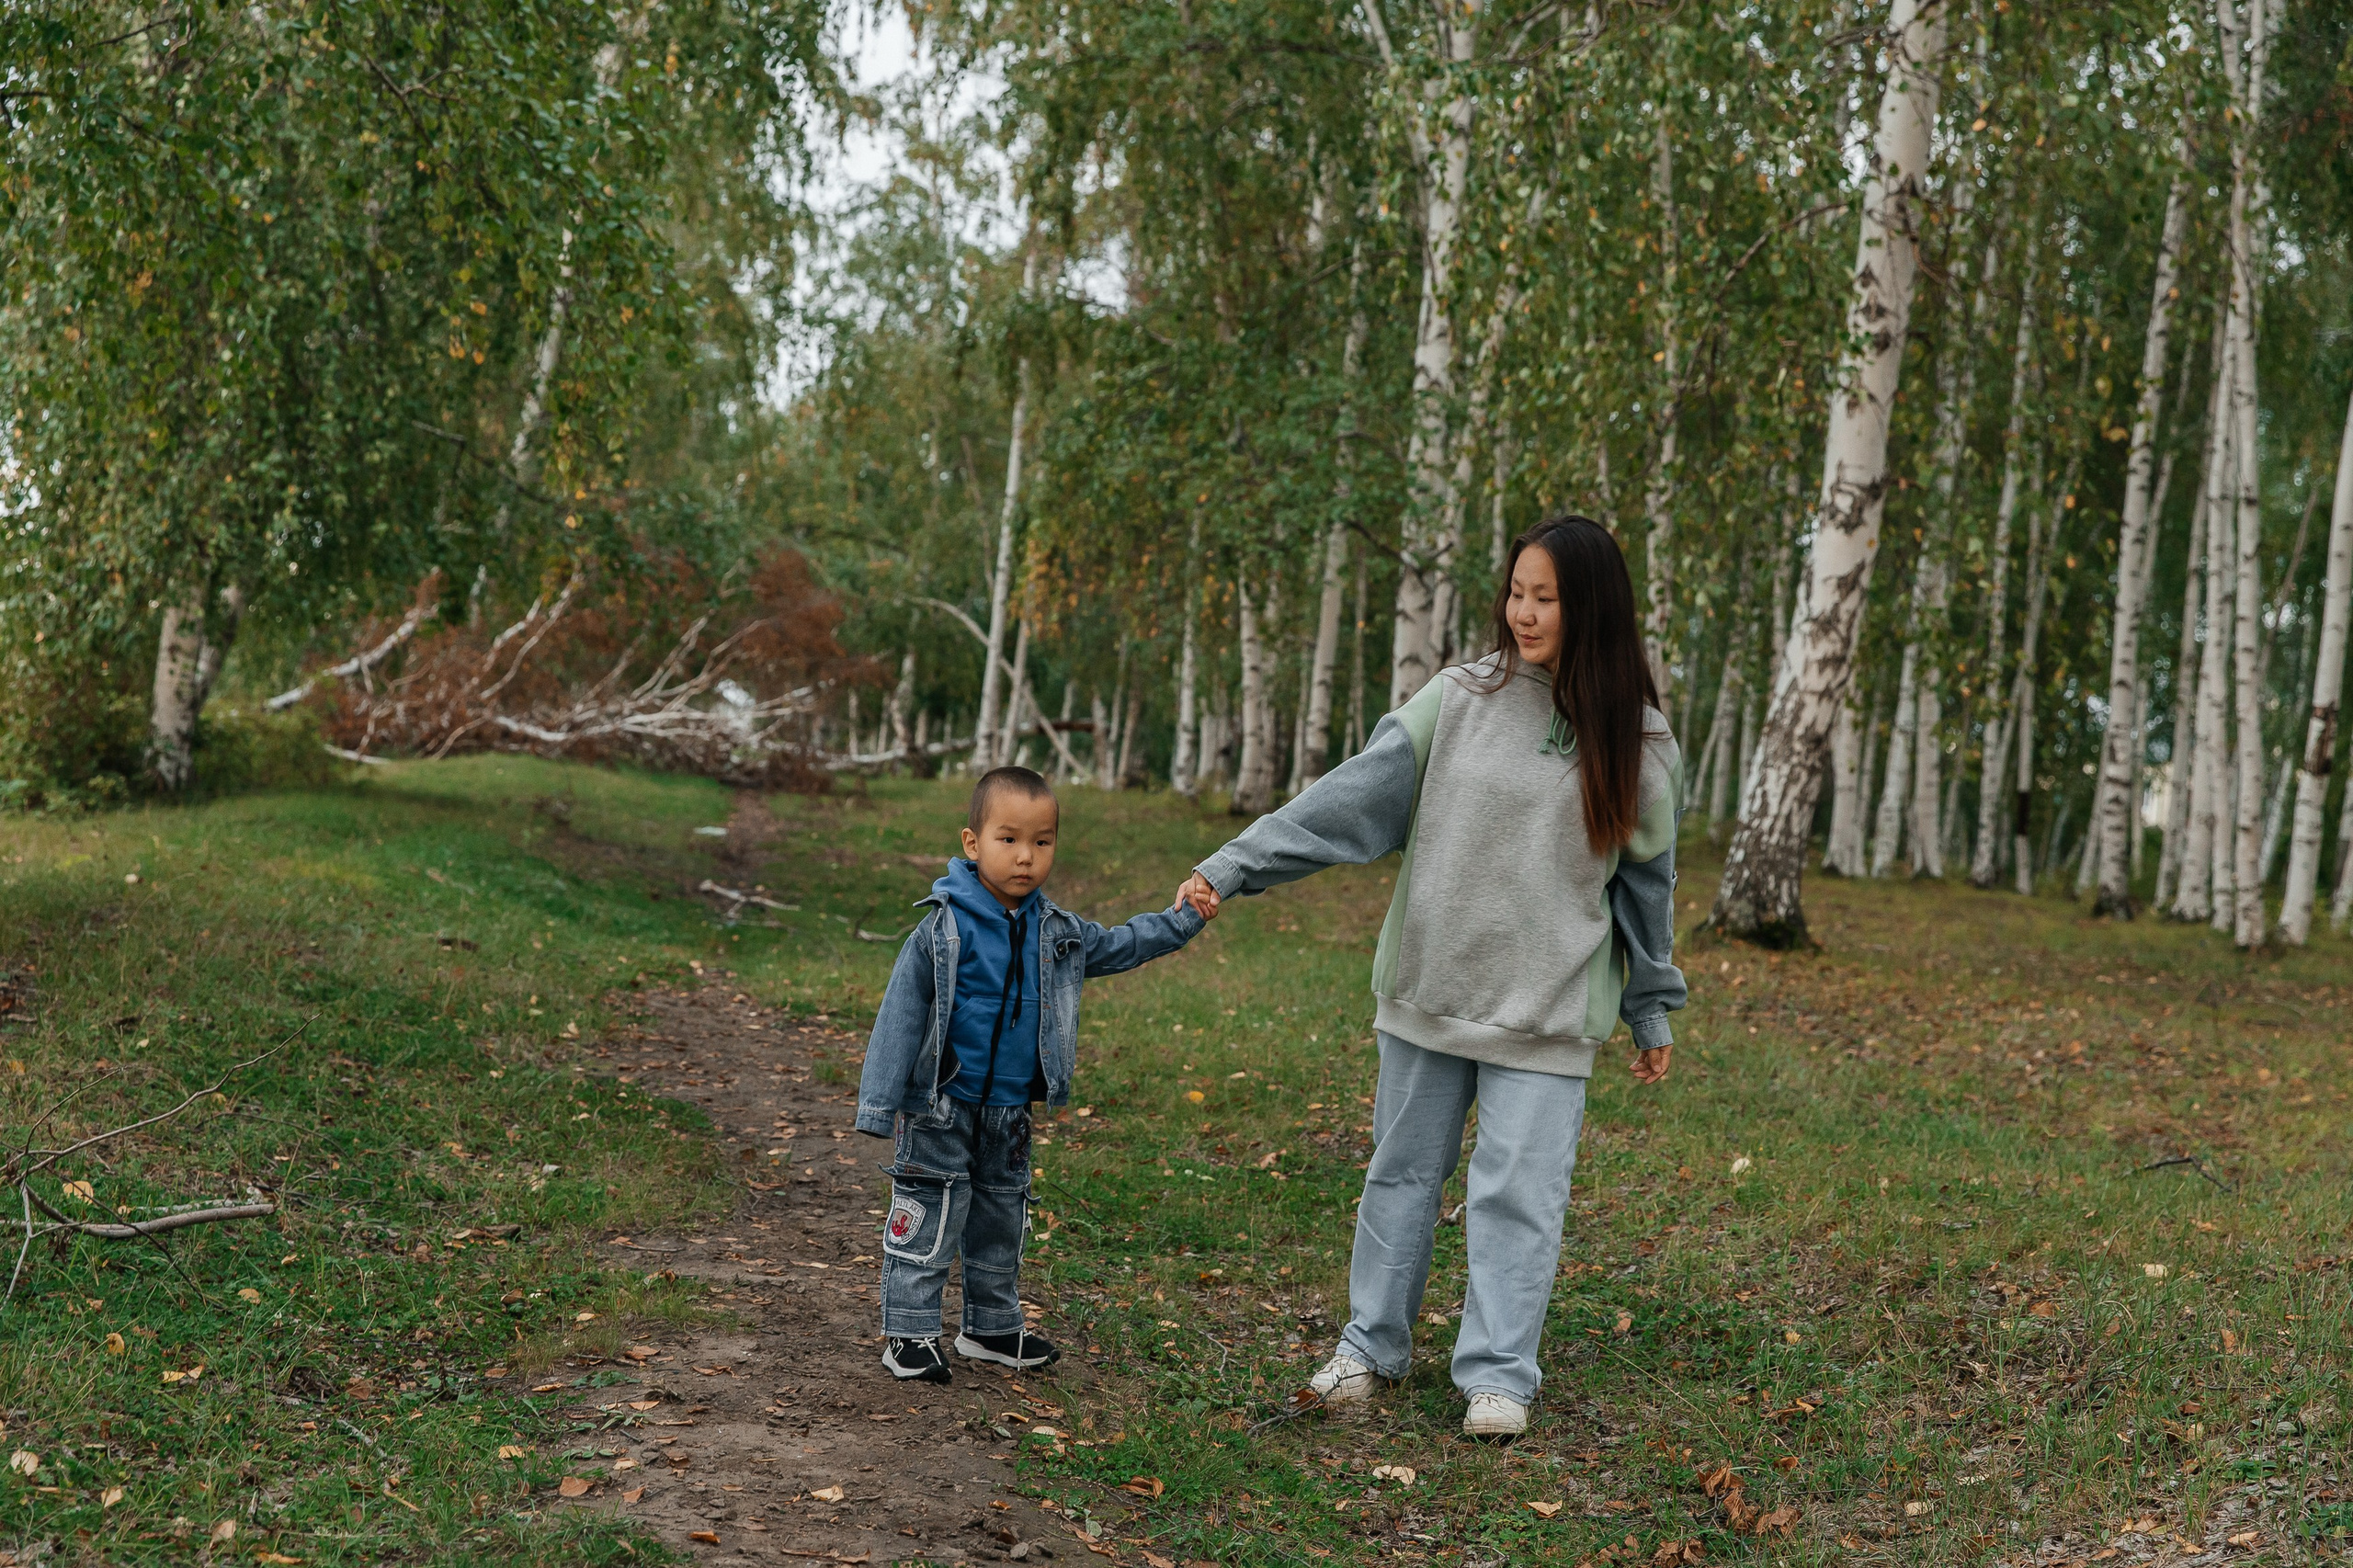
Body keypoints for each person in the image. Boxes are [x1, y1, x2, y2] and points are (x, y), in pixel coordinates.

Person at [1176, 517, 1686, 1438]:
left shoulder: (1640, 743)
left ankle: (1497, 1375)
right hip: (1428, 985)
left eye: (1545, 598)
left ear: (1594, 609)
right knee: (1401, 1173)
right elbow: (1349, 798)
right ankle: (1368, 1347)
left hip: (1549, 1007)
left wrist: (1651, 1008)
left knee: (1518, 1193)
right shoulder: (1457, 699)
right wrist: (1235, 862)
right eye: (1514, 592)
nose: (1520, 613)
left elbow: (1647, 895)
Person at [856, 765, 1210, 1383]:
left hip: (1010, 1111)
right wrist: (878, 1106)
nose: (1026, 857)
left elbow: (1124, 943)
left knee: (1001, 1218)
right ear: (973, 843)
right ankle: (909, 1333)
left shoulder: (1058, 934)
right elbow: (901, 1015)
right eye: (1009, 839)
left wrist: (1183, 920)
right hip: (943, 1103)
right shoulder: (942, 928)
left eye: (1041, 842)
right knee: (930, 1213)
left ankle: (989, 1328)